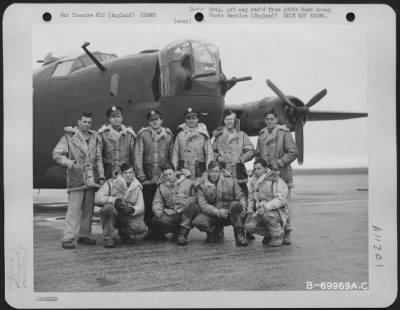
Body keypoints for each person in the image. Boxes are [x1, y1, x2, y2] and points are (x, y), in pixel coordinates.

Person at [52, 112, 105, 249]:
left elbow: (98, 158)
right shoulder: (69, 138)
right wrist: (70, 164)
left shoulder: (95, 137)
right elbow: (57, 154)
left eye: (89, 122)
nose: (87, 124)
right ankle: (68, 238)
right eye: (84, 122)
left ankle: (84, 235)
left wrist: (101, 175)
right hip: (76, 177)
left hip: (91, 177)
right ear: (79, 122)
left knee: (88, 209)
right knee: (73, 210)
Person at [255, 111, 298, 244]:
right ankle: (271, 232)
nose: (269, 121)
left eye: (272, 119)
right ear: (264, 120)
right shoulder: (262, 135)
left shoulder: (284, 133)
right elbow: (258, 154)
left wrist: (279, 163)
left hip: (282, 174)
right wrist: (257, 170)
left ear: (276, 120)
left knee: (285, 204)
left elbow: (293, 152)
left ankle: (287, 233)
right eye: (267, 119)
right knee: (267, 203)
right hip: (266, 177)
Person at [213, 110, 255, 240]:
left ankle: (247, 228)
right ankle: (219, 229)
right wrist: (217, 157)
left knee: (244, 201)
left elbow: (251, 150)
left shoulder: (242, 135)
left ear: (235, 120)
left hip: (238, 172)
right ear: (223, 121)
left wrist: (242, 158)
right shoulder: (219, 137)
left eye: (231, 119)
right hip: (223, 172)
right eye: (226, 120)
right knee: (220, 200)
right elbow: (213, 150)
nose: (229, 122)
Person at [192, 161, 248, 246]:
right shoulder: (202, 186)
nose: (214, 174)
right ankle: (214, 231)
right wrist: (218, 212)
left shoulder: (230, 181)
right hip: (214, 214)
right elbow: (203, 205)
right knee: (198, 221)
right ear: (208, 172)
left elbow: (240, 196)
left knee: (236, 205)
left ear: (220, 172)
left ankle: (239, 235)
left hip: (229, 213)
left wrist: (243, 206)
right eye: (212, 171)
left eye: (216, 171)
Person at [134, 110, 174, 228]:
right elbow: (138, 156)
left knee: (164, 202)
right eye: (152, 120)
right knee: (148, 202)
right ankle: (149, 229)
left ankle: (162, 229)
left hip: (163, 177)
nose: (155, 122)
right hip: (148, 177)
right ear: (148, 122)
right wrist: (141, 175)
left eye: (157, 119)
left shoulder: (168, 136)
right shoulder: (143, 135)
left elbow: (171, 157)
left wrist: (170, 175)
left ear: (161, 120)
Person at [94, 163, 148, 248]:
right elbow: (97, 198)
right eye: (125, 173)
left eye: (130, 173)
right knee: (108, 208)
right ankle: (109, 238)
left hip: (126, 215)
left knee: (141, 227)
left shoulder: (137, 186)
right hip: (113, 213)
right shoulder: (111, 183)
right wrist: (114, 200)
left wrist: (132, 209)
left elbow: (141, 206)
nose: (128, 175)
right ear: (121, 174)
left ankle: (124, 232)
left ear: (133, 173)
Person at [149, 162, 199, 245]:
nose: (168, 177)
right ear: (163, 176)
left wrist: (186, 202)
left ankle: (182, 234)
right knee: (158, 219)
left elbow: (196, 197)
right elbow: (157, 202)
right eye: (166, 175)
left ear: (175, 172)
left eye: (170, 174)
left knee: (192, 207)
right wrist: (158, 212)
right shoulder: (161, 186)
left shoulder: (188, 183)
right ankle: (176, 231)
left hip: (186, 212)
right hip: (172, 213)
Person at [244, 159, 290, 247]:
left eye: (259, 168)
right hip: (259, 210)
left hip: (276, 211)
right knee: (248, 225)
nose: (256, 171)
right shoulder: (253, 181)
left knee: (267, 216)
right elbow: (251, 197)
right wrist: (250, 210)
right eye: (255, 169)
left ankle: (277, 236)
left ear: (265, 169)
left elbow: (281, 199)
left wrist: (266, 207)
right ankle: (269, 234)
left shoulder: (275, 180)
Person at [172, 107, 214, 179]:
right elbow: (175, 154)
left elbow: (209, 154)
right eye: (188, 118)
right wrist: (174, 170)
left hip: (199, 170)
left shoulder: (203, 134)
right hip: (183, 170)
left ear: (197, 119)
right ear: (185, 120)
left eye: (193, 118)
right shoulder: (180, 134)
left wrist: (208, 171)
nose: (191, 120)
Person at [98, 105, 136, 179]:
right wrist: (101, 175)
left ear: (122, 118)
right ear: (109, 119)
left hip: (126, 173)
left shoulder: (129, 134)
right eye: (113, 117)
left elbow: (134, 157)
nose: (116, 119)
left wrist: (135, 173)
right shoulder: (103, 134)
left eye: (118, 116)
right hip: (108, 173)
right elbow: (99, 157)